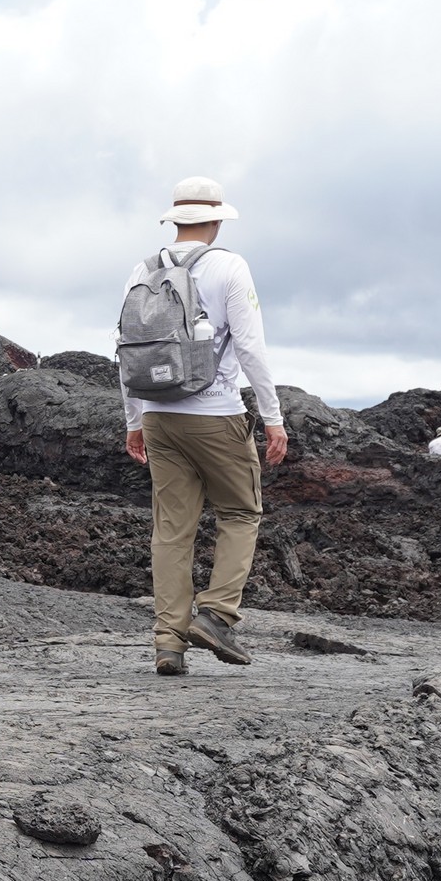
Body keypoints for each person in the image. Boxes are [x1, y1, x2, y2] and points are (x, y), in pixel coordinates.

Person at [117, 176, 287, 676]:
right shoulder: (230, 266)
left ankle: (168, 644)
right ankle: (215, 616)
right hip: (215, 416)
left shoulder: (141, 270)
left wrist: (134, 421)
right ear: (215, 220)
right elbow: (251, 348)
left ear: (175, 221)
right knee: (240, 514)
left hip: (158, 416)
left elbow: (128, 349)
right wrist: (274, 419)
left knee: (171, 531)